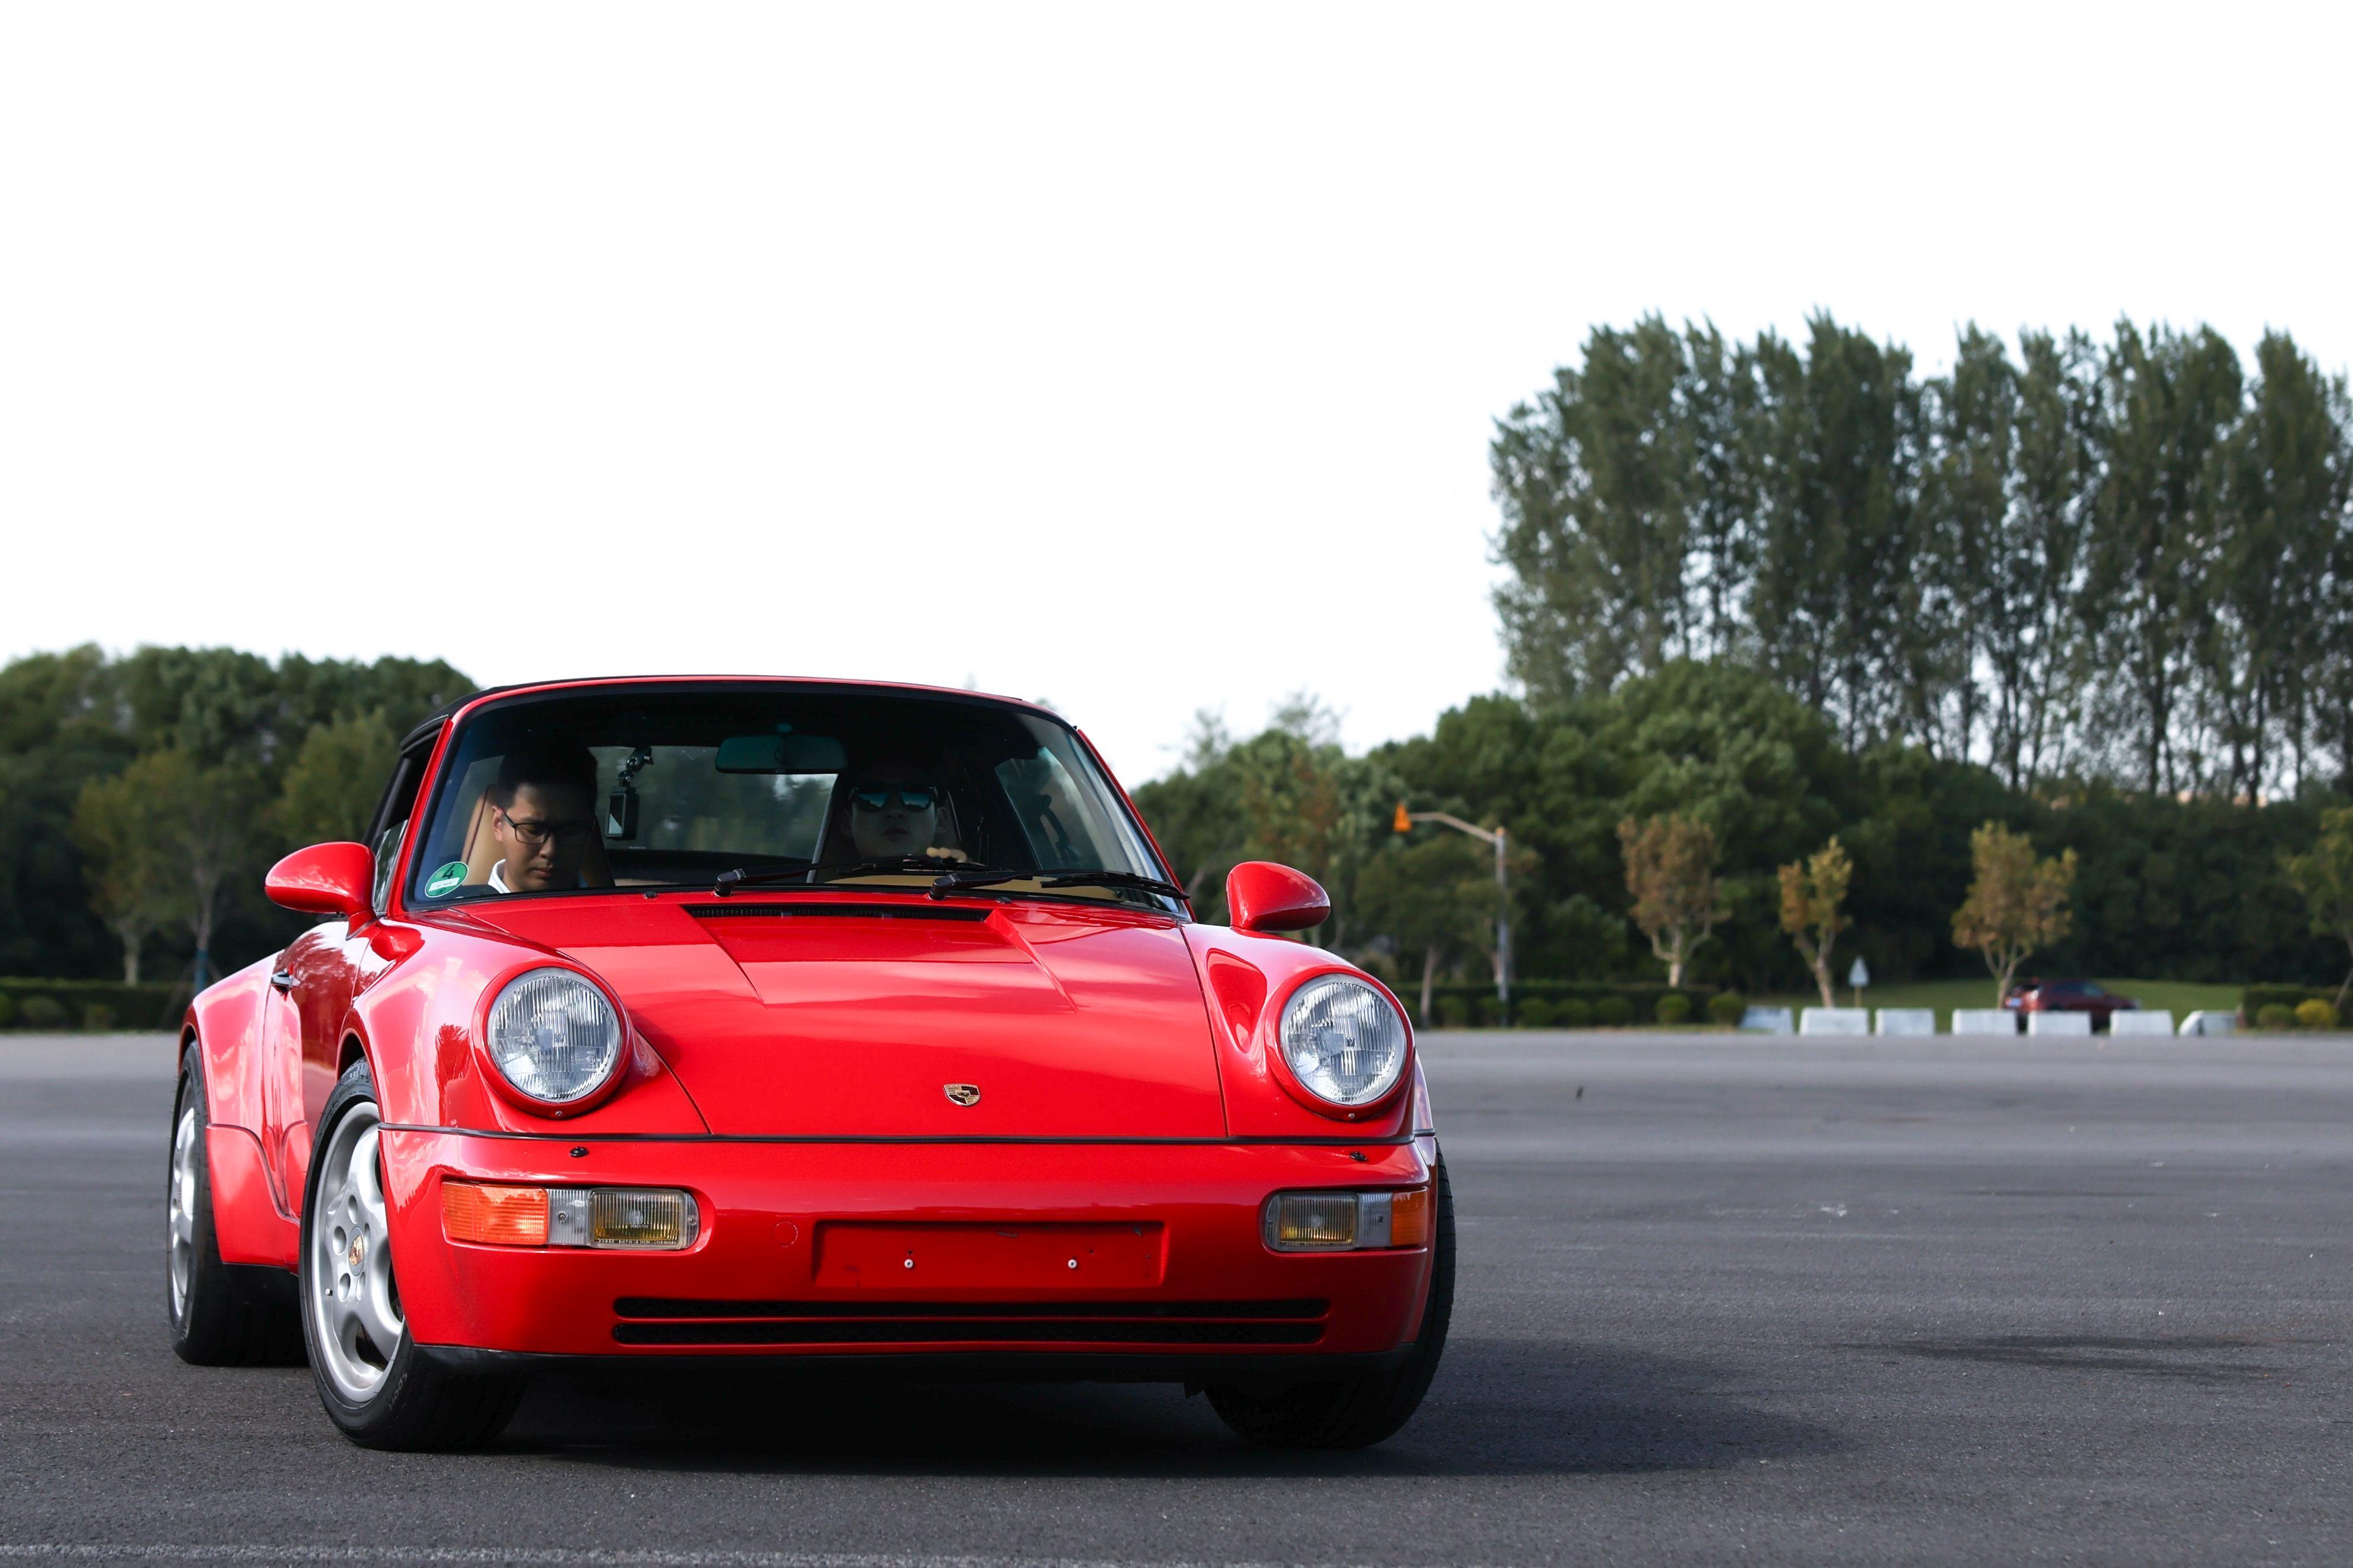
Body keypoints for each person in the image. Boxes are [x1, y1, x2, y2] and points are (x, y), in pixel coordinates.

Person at [485, 742, 601, 893]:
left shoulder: (619, 914)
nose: (550, 851)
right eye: (533, 830)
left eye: (570, 831)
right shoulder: (450, 916)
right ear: (498, 824)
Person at [843, 762, 965, 862]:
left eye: (916, 795)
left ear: (940, 821)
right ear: (847, 824)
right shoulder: (827, 887)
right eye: (872, 796)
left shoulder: (972, 888)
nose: (894, 810)